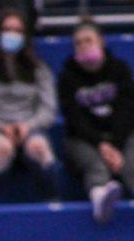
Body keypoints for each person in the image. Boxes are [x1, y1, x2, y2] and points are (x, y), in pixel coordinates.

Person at [0, 10, 58, 201]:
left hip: (29, 129)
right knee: (1, 148)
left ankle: (52, 204)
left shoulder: (39, 69)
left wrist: (28, 126)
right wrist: (0, 127)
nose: (12, 34)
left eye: (17, 30)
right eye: (7, 29)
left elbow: (48, 110)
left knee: (39, 147)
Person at [58, 20, 134, 224]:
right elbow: (73, 118)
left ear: (101, 42)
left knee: (131, 159)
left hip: (120, 134)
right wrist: (101, 143)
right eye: (78, 43)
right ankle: (100, 198)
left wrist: (115, 144)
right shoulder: (67, 77)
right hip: (84, 137)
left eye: (88, 40)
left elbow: (127, 110)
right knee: (94, 163)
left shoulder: (120, 69)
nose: (83, 46)